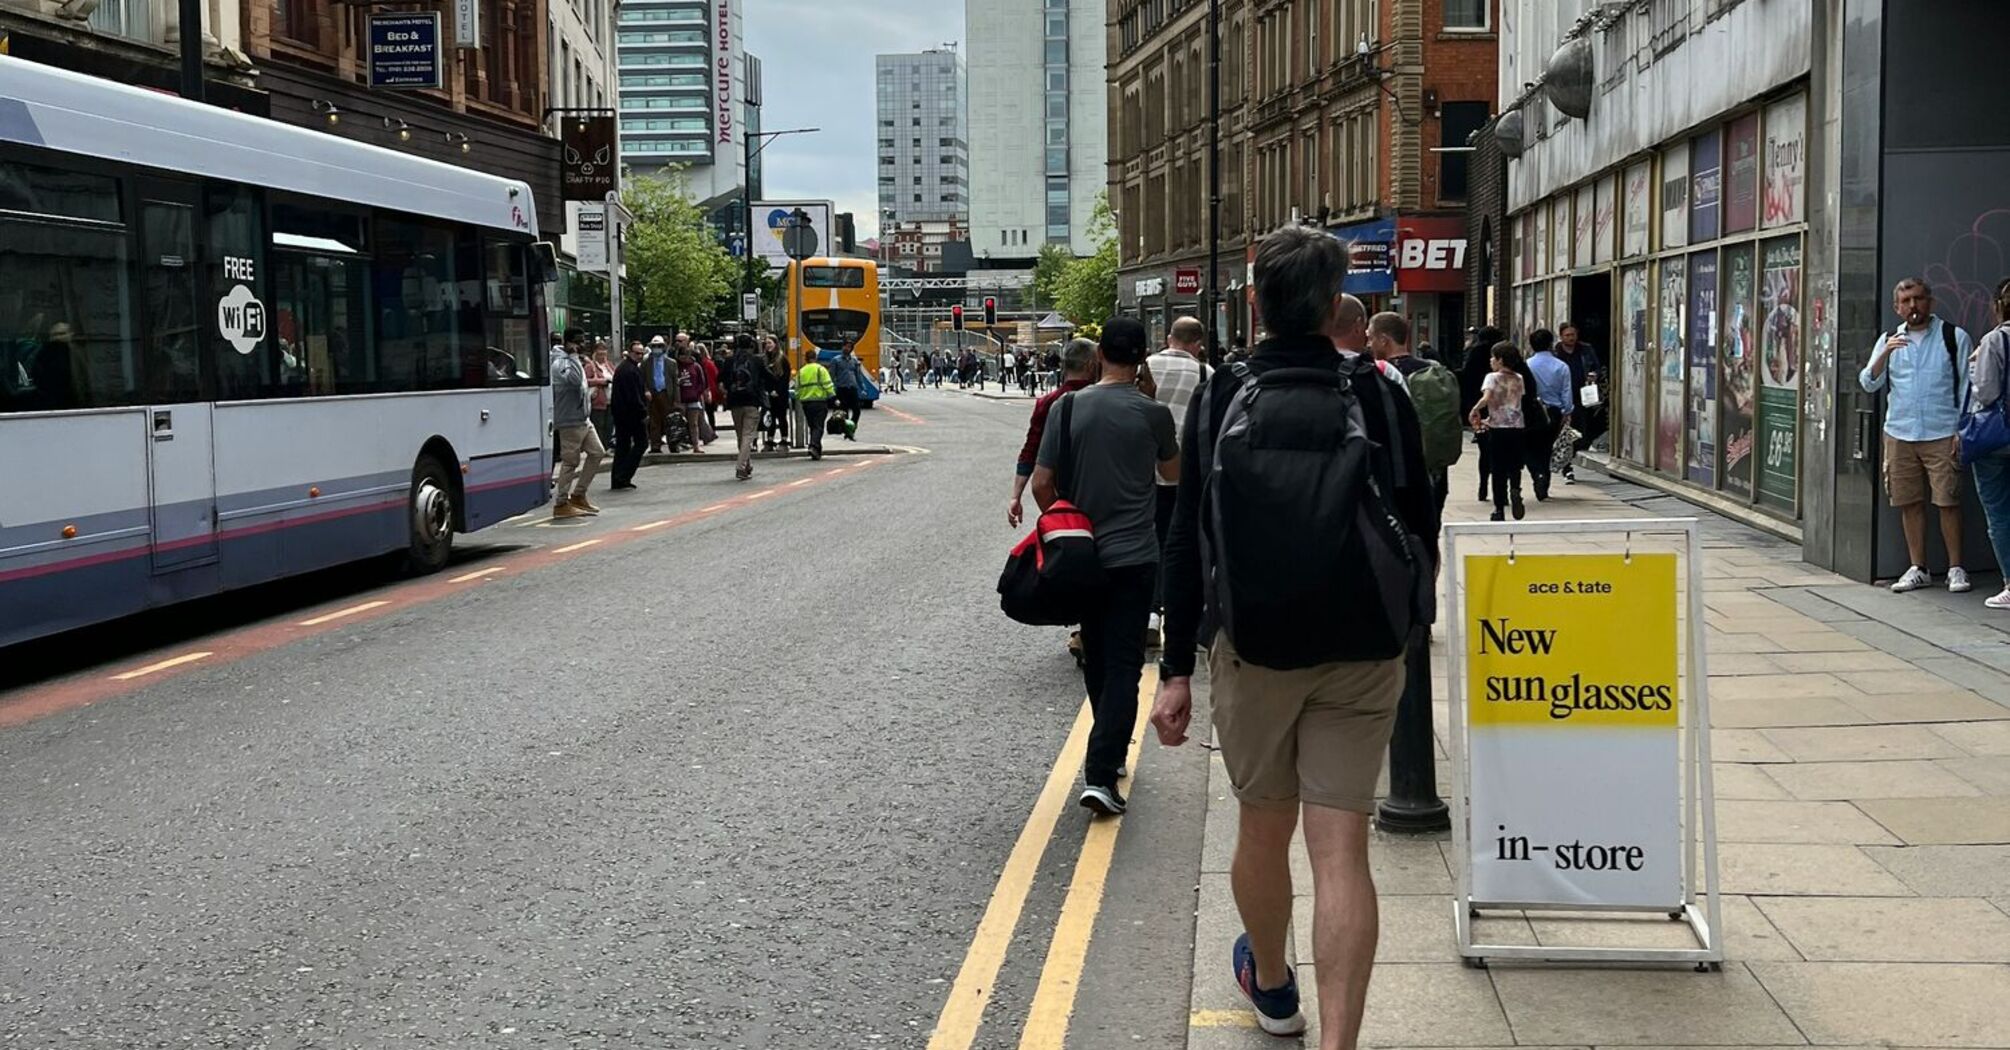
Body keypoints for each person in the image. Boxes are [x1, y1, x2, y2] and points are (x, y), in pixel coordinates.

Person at [1152, 224, 1438, 1048]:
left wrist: (1175, 669)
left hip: (1254, 647)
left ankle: (1273, 989)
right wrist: (1409, 624)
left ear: (1254, 303)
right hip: (1360, 649)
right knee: (1342, 847)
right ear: (1339, 304)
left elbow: (1185, 538)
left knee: (1262, 828)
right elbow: (1418, 521)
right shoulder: (1382, 392)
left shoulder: (1222, 391)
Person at [1031, 317, 1179, 816]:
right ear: (1141, 359)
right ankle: (1101, 772)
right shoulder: (1152, 413)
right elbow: (1172, 475)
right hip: (1135, 558)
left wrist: (1065, 521)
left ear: (1098, 358)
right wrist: (1152, 401)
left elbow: (1041, 484)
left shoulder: (1067, 407)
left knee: (1098, 658)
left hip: (1082, 558)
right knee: (1123, 666)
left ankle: (1107, 755)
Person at [1861, 277, 1974, 594]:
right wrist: (1884, 353)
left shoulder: (1954, 337)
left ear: (1931, 302)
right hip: (1900, 432)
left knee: (1948, 500)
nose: (1914, 306)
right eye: (1907, 301)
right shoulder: (1889, 339)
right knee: (1908, 501)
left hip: (1943, 431)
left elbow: (1968, 387)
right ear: (1897, 307)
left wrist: (1961, 430)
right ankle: (1918, 567)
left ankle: (1956, 568)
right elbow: (1868, 382)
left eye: (1919, 299)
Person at [1145, 316, 1213, 643]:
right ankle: (1177, 614)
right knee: (1181, 545)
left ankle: (1150, 612)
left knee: (1150, 541)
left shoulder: (1144, 367)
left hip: (1144, 474)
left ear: (1170, 337)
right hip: (1186, 476)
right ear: (1198, 344)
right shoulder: (1207, 374)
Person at [1010, 338, 1098, 528]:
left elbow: (1030, 449)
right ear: (1091, 365)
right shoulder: (1103, 398)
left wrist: (1016, 496)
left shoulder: (1048, 402)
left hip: (1062, 495)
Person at [1966, 278, 2010, 609]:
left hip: (1998, 440)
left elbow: (1985, 392)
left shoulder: (1996, 340)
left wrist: (1972, 363)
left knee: (1999, 513)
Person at [1470, 342, 1530, 521]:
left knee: (1498, 469)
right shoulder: (1519, 378)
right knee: (1515, 466)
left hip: (1498, 428)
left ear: (1500, 360)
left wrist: (1475, 408)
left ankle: (1499, 509)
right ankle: (1516, 489)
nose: (1490, 360)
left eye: (1493, 357)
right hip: (1517, 427)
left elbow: (1487, 397)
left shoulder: (1492, 377)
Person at [549, 329, 605, 518]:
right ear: (568, 342)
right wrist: (574, 357)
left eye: (583, 341)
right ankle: (561, 503)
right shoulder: (560, 362)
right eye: (578, 342)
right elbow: (573, 381)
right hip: (569, 420)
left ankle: (579, 494)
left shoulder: (574, 361)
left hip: (582, 418)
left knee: (597, 452)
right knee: (570, 461)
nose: (582, 345)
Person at [1522, 328, 1573, 500]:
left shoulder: (1527, 365)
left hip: (1531, 411)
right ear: (1551, 344)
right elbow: (1567, 392)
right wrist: (1567, 412)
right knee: (1547, 448)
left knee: (1529, 447)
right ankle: (1544, 478)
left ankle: (1536, 473)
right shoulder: (1561, 366)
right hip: (1553, 412)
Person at [1459, 326, 1505, 500]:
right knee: (1503, 452)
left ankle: (1483, 486)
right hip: (1504, 411)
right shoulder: (1504, 354)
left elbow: (1467, 378)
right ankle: (1507, 488)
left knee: (1484, 451)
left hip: (1481, 408)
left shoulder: (1475, 352)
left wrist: (1470, 407)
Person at [1557, 322, 1606, 472]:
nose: (1571, 338)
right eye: (1567, 335)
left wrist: (1594, 375)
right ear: (1561, 336)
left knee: (1581, 423)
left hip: (1582, 392)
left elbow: (1597, 367)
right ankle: (1566, 456)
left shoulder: (1585, 349)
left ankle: (1576, 448)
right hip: (1563, 393)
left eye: (1573, 335)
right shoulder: (1556, 352)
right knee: (1564, 425)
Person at [726, 333, 768, 481]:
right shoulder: (757, 360)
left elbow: (722, 380)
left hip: (735, 402)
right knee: (748, 435)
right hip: (752, 401)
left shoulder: (730, 361)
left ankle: (746, 464)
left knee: (740, 435)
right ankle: (741, 466)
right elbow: (768, 377)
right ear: (751, 344)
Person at [609, 341, 649, 491]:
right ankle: (623, 475)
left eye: (641, 353)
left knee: (623, 446)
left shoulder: (627, 368)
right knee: (641, 443)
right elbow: (633, 396)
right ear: (630, 353)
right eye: (637, 353)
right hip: (630, 415)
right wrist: (643, 412)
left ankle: (619, 478)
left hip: (623, 414)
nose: (639, 356)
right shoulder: (629, 370)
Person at [795, 347, 838, 460]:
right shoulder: (820, 369)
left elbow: (797, 389)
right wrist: (834, 398)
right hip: (819, 402)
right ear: (815, 358)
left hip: (806, 403)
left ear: (806, 359)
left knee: (812, 426)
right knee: (818, 427)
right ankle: (813, 446)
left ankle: (817, 450)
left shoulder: (801, 371)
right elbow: (828, 385)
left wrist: (800, 398)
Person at [644, 335, 675, 453]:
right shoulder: (646, 363)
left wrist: (676, 399)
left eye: (659, 346)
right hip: (653, 395)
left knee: (670, 421)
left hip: (666, 394)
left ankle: (673, 444)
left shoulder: (671, 363)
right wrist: (646, 390)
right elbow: (642, 379)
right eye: (654, 346)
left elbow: (675, 382)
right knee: (654, 422)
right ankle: (655, 445)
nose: (657, 348)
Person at [676, 347, 709, 452]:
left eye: (686, 356)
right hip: (680, 398)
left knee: (694, 423)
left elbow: (702, 382)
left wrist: (697, 393)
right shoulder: (675, 366)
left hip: (693, 398)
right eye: (682, 356)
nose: (684, 359)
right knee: (680, 423)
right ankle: (681, 443)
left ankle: (696, 445)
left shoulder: (696, 366)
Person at [832, 343, 866, 441]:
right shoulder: (836, 360)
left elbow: (858, 375)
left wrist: (862, 387)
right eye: (845, 346)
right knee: (844, 412)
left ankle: (851, 429)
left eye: (849, 347)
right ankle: (848, 432)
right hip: (841, 389)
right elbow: (832, 376)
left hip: (853, 388)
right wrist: (833, 390)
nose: (847, 348)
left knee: (857, 411)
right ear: (842, 347)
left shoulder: (854, 361)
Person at [585, 342, 614, 447]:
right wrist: (601, 381)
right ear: (595, 353)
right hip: (598, 400)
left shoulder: (609, 365)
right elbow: (585, 381)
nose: (602, 355)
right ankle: (599, 447)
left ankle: (606, 446)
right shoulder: (590, 366)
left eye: (604, 352)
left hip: (610, 400)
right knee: (599, 425)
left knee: (609, 425)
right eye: (600, 352)